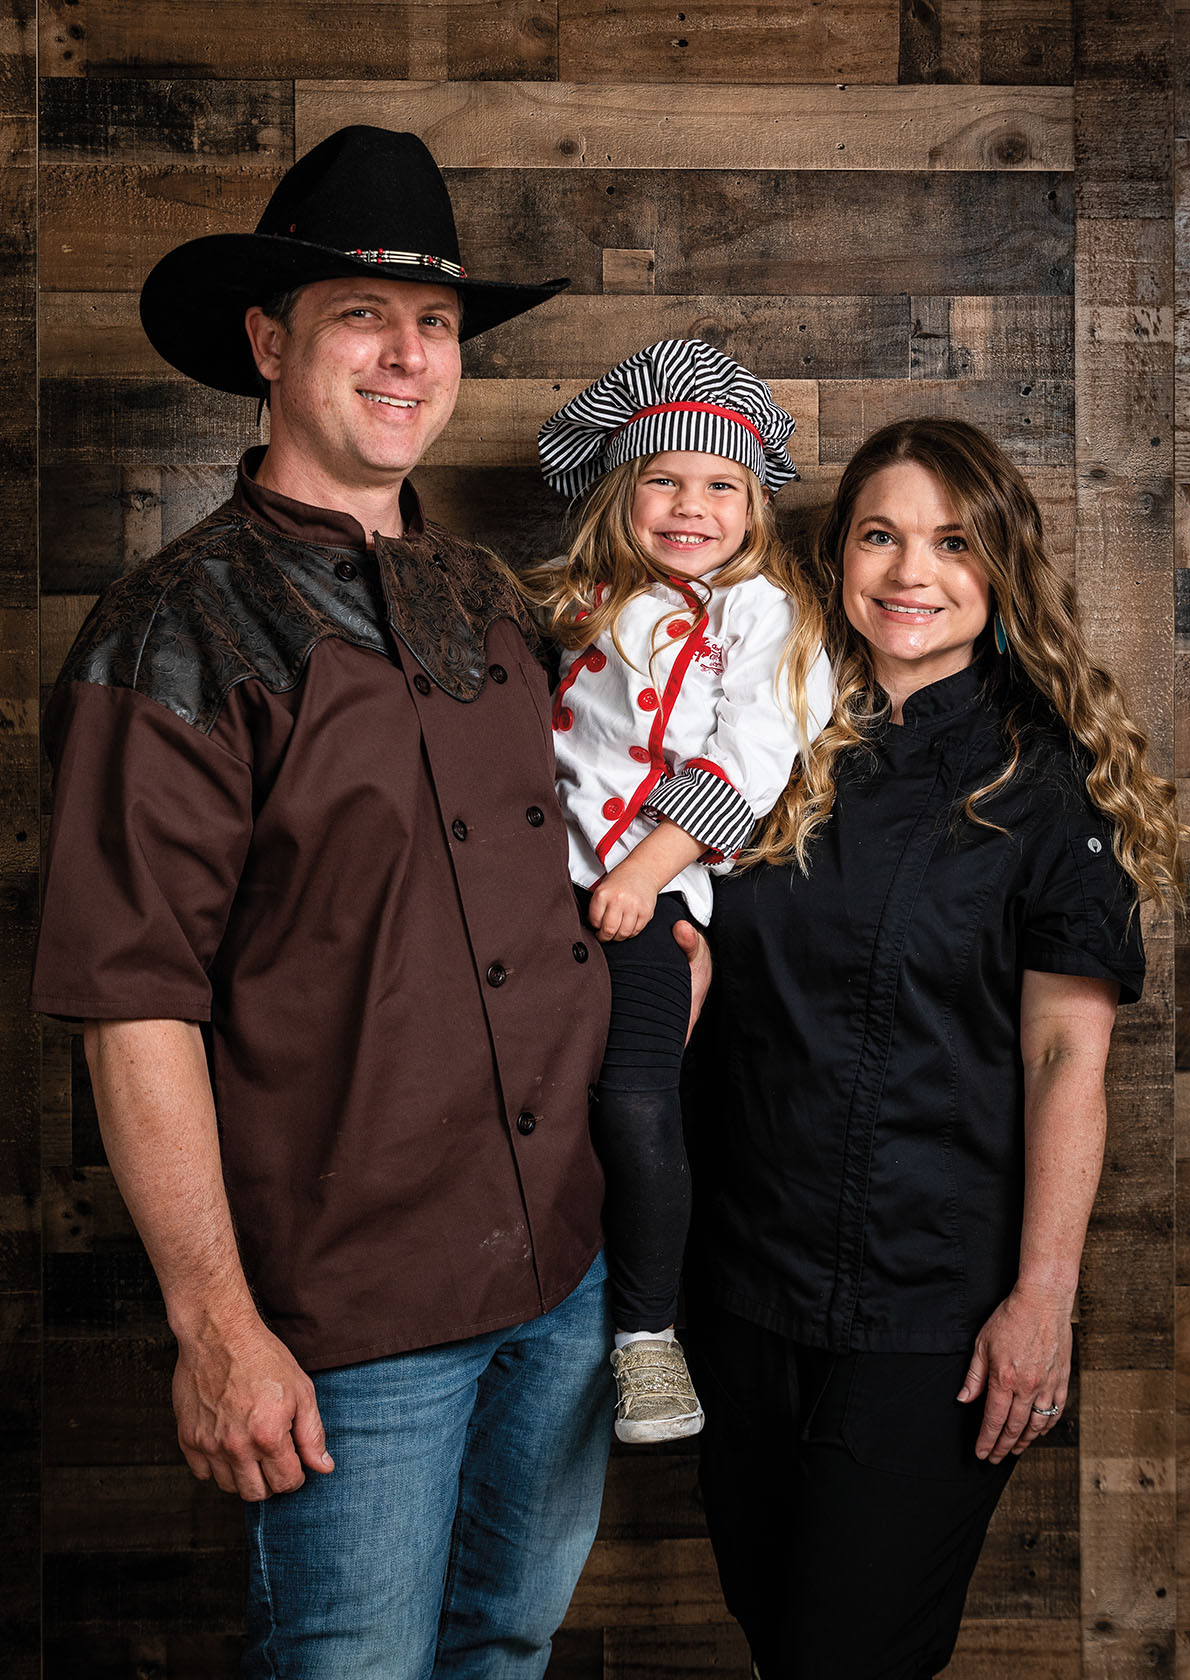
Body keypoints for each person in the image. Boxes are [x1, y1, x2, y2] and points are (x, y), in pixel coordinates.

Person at [31, 125, 707, 1679]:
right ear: (268, 345)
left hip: (564, 1268)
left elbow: (558, 853)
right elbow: (135, 1005)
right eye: (362, 317)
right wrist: (214, 1321)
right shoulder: (169, 632)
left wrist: (666, 938)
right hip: (351, 1317)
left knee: (510, 1650)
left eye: (438, 327)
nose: (409, 358)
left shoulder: (491, 601)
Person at [685, 417, 1190, 1679]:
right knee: (773, 1627)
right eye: (881, 536)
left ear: (1000, 567)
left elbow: (1070, 1060)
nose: (912, 573)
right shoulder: (760, 743)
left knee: (845, 1659)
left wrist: (1044, 1299)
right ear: (838, 556)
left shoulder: (1046, 783)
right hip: (739, 1287)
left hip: (931, 1317)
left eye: (952, 543)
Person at [527, 341, 832, 1443]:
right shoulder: (577, 601)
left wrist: (647, 876)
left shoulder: (764, 618)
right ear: (621, 490)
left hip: (642, 899)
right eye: (664, 478)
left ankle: (649, 1338)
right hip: (532, 889)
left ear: (755, 505)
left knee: (636, 1099)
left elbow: (752, 756)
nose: (691, 504)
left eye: (721, 485)